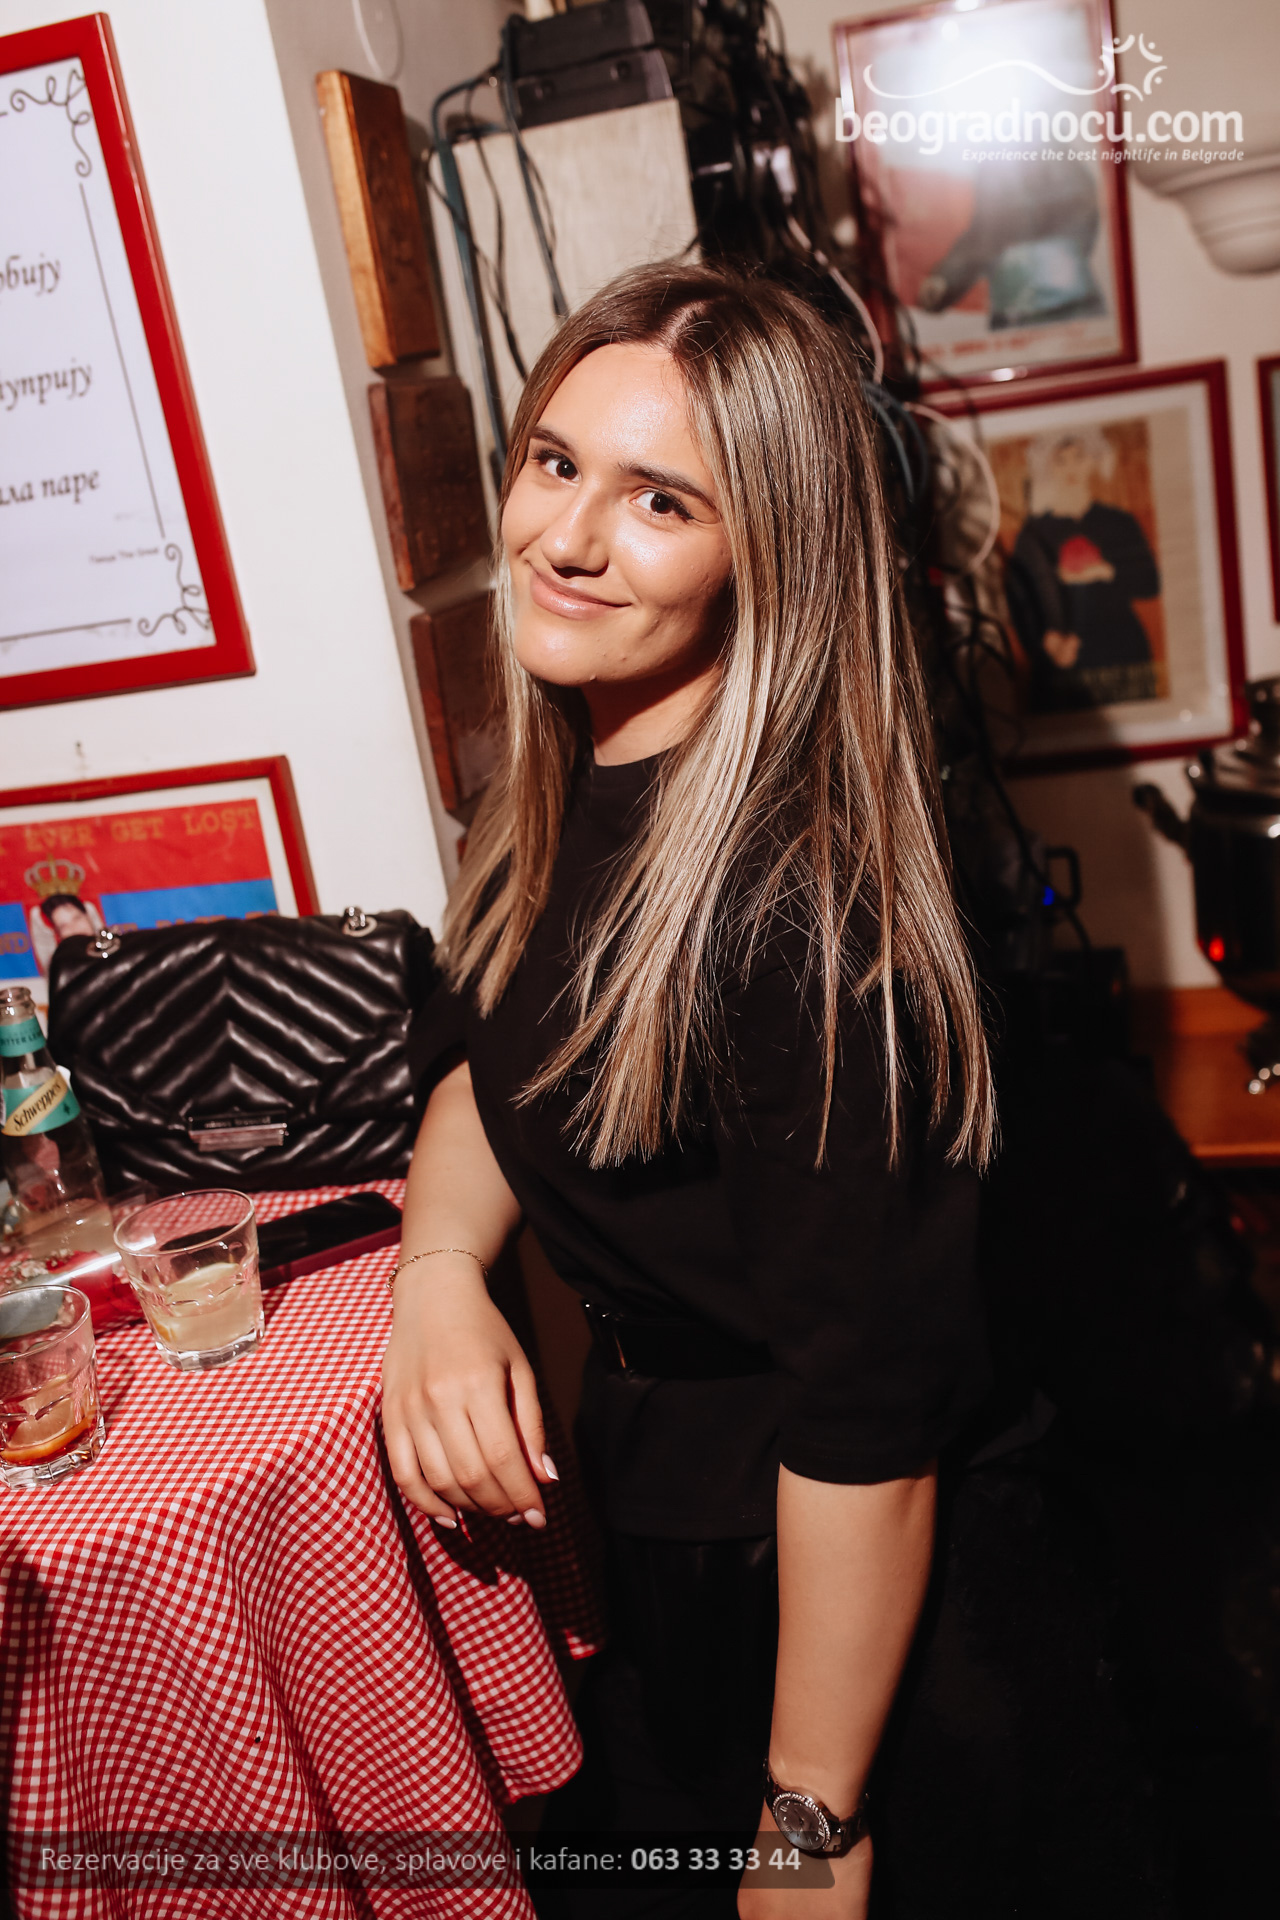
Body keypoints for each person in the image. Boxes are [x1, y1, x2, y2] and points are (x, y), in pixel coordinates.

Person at [380, 265, 1152, 1920]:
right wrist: (439, 1274)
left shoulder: (802, 921)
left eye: (661, 501)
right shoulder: (568, 787)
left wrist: (811, 1822)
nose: (568, 537)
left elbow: (871, 1422)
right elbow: (486, 1063)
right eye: (555, 462)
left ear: (770, 556)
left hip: (862, 1613)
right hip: (679, 1527)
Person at [1007, 428, 1161, 712]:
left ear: (1093, 461)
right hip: (1063, 661)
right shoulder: (1033, 534)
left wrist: (1107, 572)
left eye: (1079, 457)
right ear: (1048, 467)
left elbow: (1151, 583)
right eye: (1061, 460)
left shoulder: (1119, 522)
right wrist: (1048, 642)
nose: (1071, 468)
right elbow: (1019, 600)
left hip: (1123, 651)